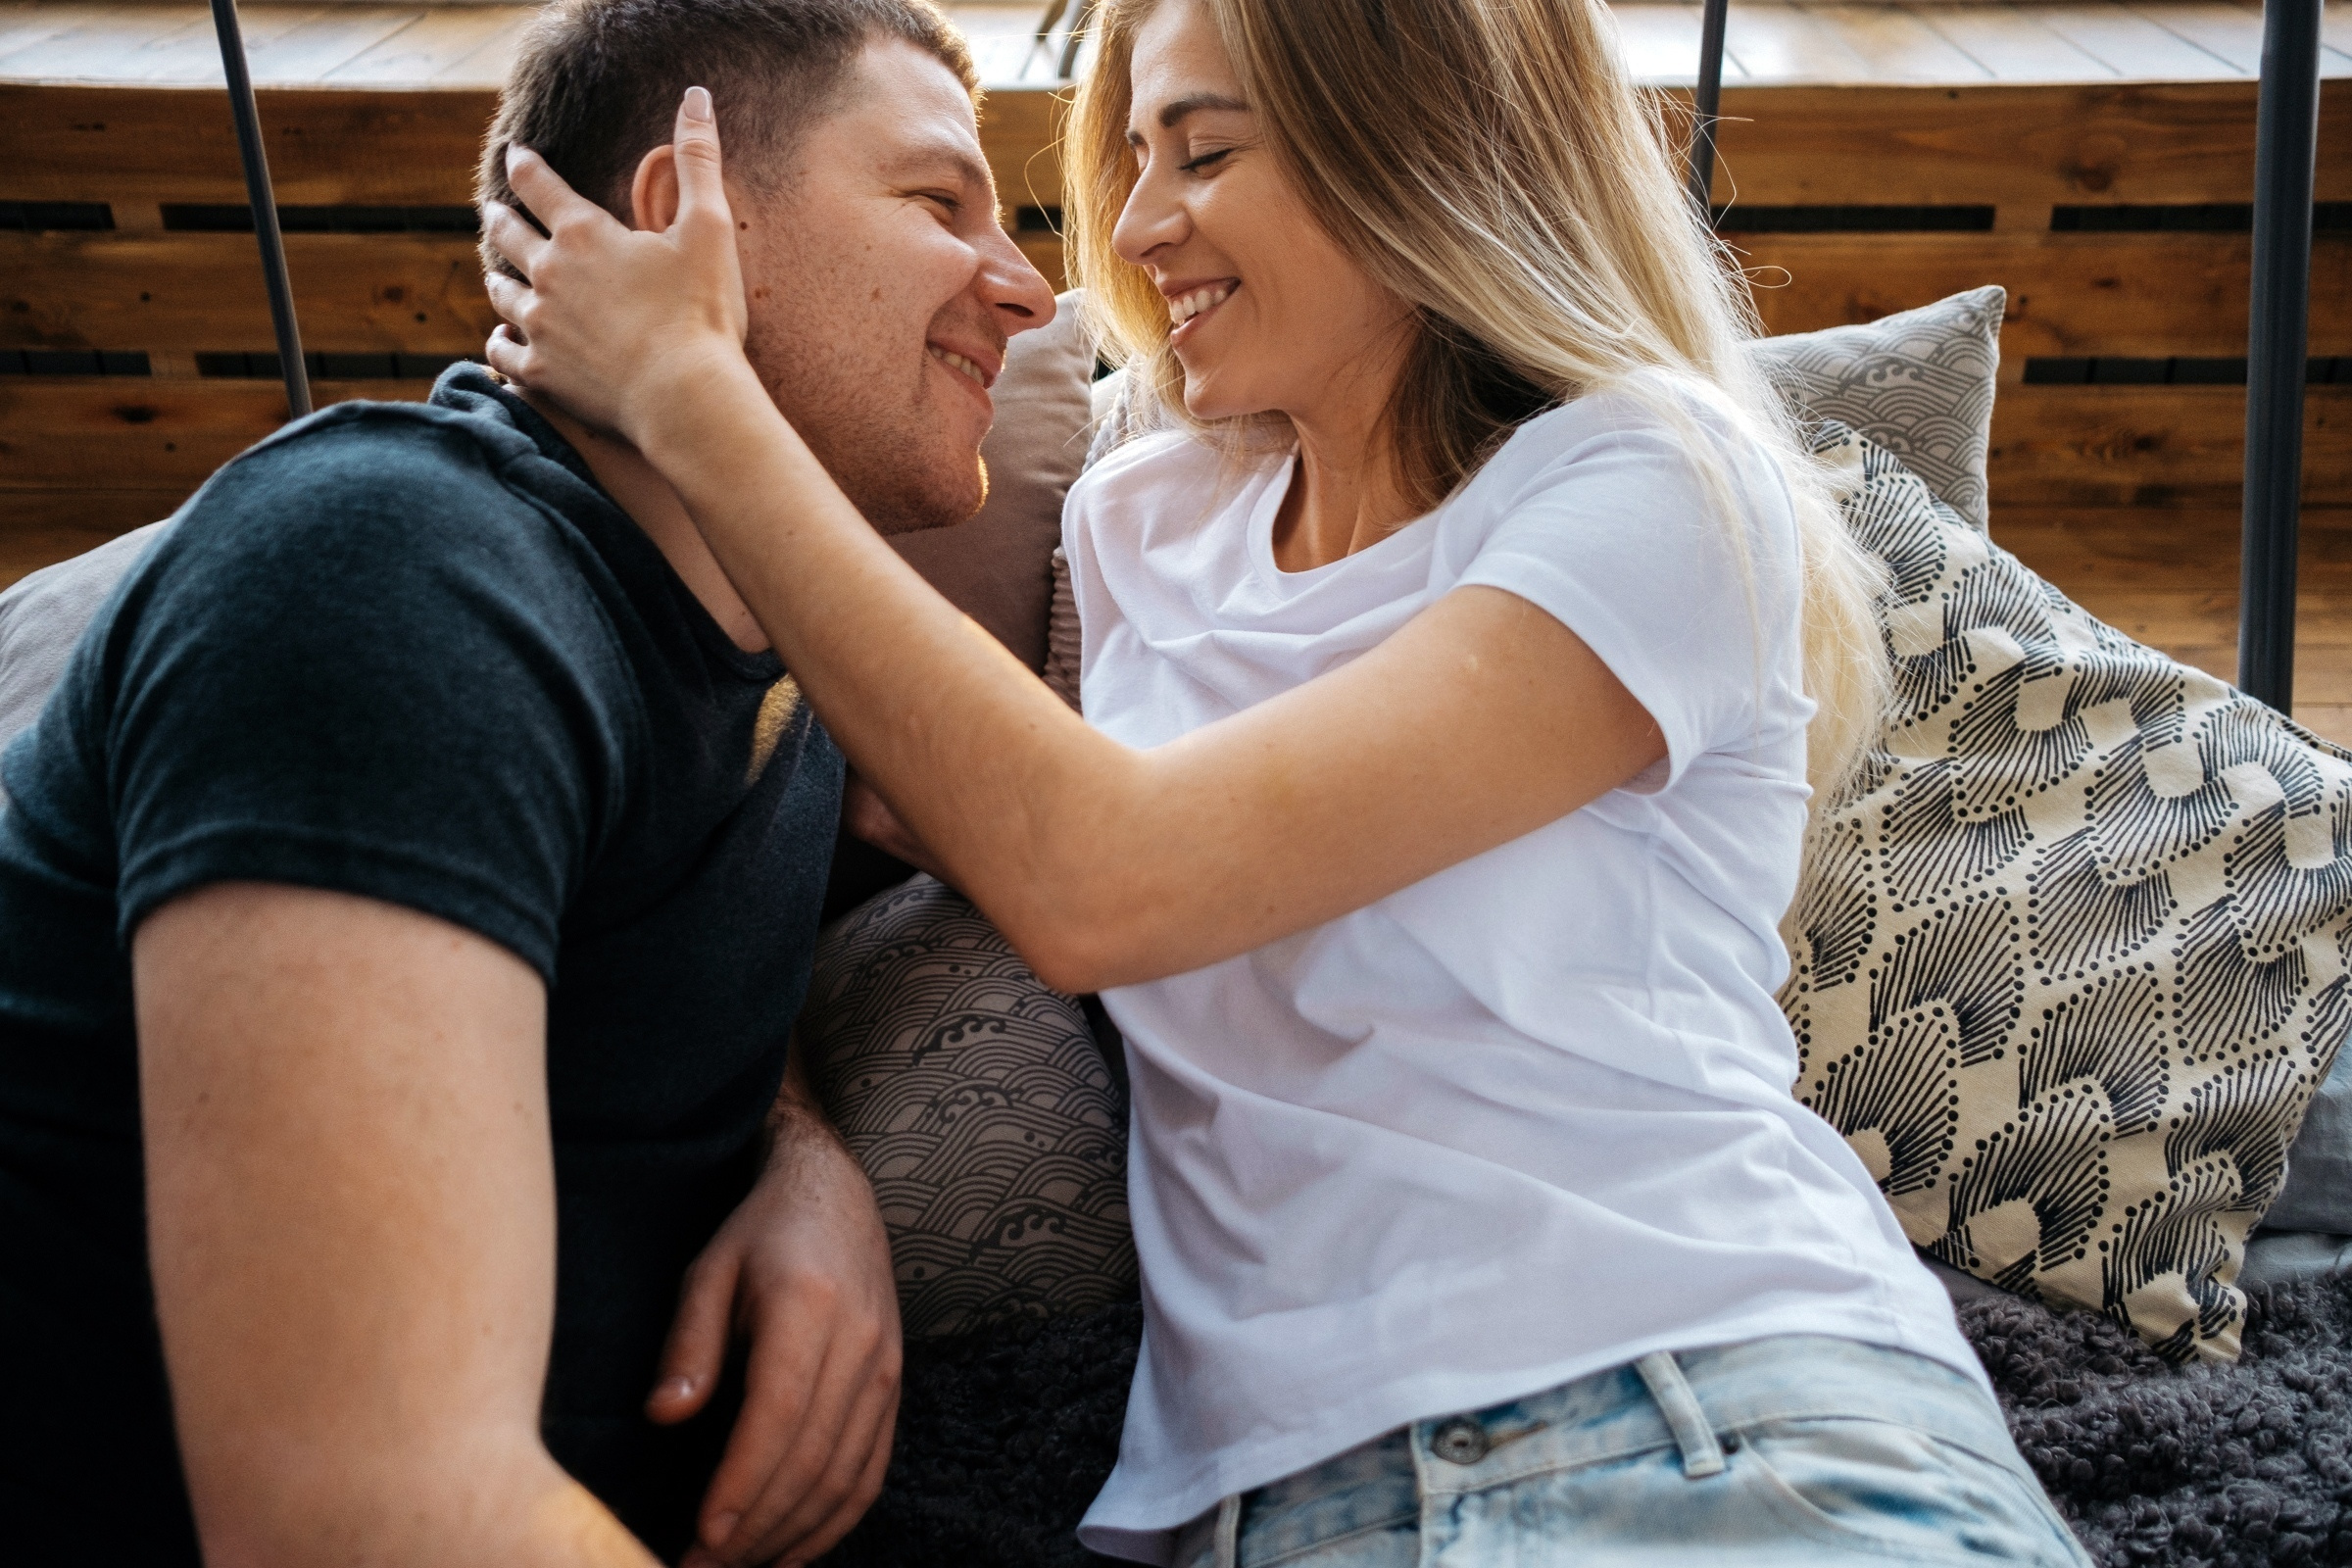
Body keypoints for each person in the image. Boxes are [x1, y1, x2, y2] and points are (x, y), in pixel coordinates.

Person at [481, 0, 2096, 1561]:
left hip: (1707, 1410)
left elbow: (1106, 878)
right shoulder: (1142, 522)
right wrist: (796, 1143)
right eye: (1133, 160)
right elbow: (875, 804)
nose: (1131, 230)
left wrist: (692, 393)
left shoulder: (1650, 481)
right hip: (1280, 1502)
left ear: (1413, 149)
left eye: (1202, 153)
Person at [0, 0, 1060, 1563]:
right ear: (676, 218)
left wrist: (806, 1154)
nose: (1029, 288)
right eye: (936, 202)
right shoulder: (395, 574)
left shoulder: (784, 692)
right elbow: (360, 1510)